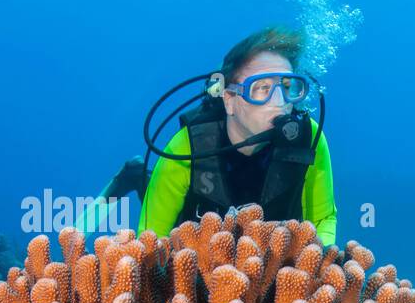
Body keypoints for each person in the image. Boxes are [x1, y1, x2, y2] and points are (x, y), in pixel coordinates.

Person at [137, 27, 337, 245]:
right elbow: (150, 236)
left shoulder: (309, 138)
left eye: (288, 87)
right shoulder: (187, 145)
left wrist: (320, 257)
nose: (280, 101)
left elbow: (323, 218)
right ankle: (134, 174)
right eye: (261, 88)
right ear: (229, 99)